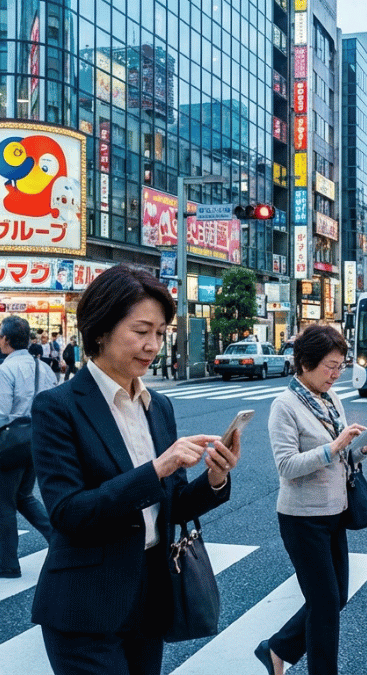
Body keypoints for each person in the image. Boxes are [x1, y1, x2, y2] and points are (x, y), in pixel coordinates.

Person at [29, 264, 242, 675]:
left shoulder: (158, 406)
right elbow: (68, 513)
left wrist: (215, 479)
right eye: (141, 331)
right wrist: (156, 470)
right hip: (84, 607)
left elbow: (171, 506)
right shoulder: (58, 407)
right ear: (101, 329)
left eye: (160, 333)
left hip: (149, 595)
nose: (153, 345)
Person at [256, 324, 367, 675]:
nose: (336, 374)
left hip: (335, 512)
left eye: (340, 366)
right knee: (325, 603)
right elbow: (286, 465)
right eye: (330, 366)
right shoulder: (284, 406)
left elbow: (342, 459)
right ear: (304, 364)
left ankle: (277, 648)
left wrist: (363, 450)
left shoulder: (331, 400)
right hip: (302, 518)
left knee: (335, 597)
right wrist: (334, 446)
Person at [0, 316, 55, 578]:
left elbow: (1, 414)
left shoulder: (5, 370)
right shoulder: (41, 367)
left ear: (6, 340)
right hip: (37, 440)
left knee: (4, 504)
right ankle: (59, 538)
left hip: (10, 444)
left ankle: (7, 564)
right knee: (23, 496)